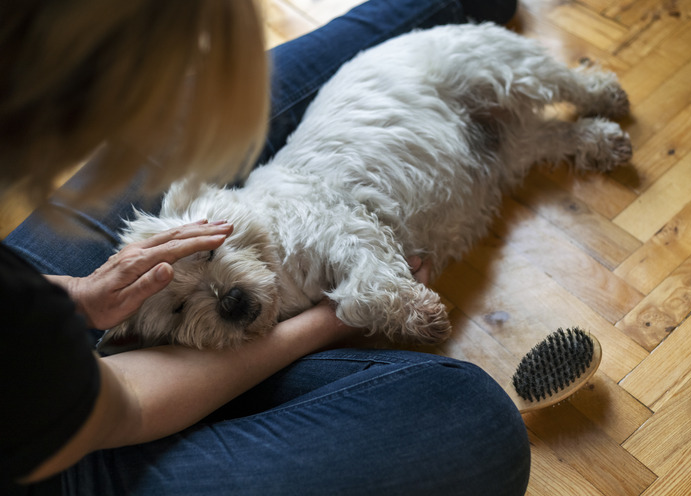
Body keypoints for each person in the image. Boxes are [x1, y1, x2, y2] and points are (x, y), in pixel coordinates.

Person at [1, 0, 531, 494]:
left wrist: (73, 292)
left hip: (33, 351)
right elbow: (128, 406)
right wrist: (330, 320)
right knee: (471, 421)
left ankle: (457, 19)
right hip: (63, 458)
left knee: (199, 130)